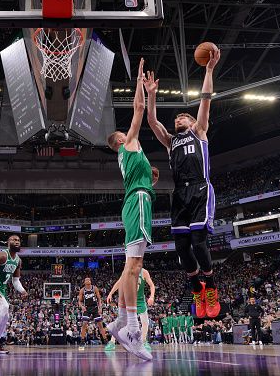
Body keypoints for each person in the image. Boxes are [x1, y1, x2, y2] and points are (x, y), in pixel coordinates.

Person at [146, 49, 222, 319]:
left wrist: (209, 70)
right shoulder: (170, 141)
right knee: (181, 248)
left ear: (192, 122)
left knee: (199, 244)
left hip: (201, 188)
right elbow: (152, 121)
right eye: (177, 118)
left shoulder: (199, 131)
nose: (179, 118)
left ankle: (210, 285)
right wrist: (151, 95)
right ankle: (196, 288)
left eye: (183, 117)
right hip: (179, 193)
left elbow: (205, 99)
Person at [105, 58, 155, 361]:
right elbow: (137, 110)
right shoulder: (129, 145)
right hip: (138, 202)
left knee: (129, 268)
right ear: (121, 140)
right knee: (135, 268)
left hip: (135, 200)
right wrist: (139, 82)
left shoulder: (130, 154)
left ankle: (121, 321)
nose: (130, 130)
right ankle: (134, 330)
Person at [105, 268, 156, 352]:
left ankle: (143, 342)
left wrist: (152, 296)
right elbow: (119, 282)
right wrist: (110, 293)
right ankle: (112, 342)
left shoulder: (144, 272)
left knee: (145, 322)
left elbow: (151, 285)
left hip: (140, 300)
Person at [77, 277, 108, 349]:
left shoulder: (95, 288)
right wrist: (82, 307)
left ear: (91, 281)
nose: (88, 280)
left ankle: (106, 341)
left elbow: (99, 299)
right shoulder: (82, 290)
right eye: (86, 280)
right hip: (87, 308)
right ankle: (82, 341)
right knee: (84, 323)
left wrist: (100, 308)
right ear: (84, 282)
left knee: (100, 324)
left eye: (89, 279)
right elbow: (79, 301)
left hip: (95, 308)